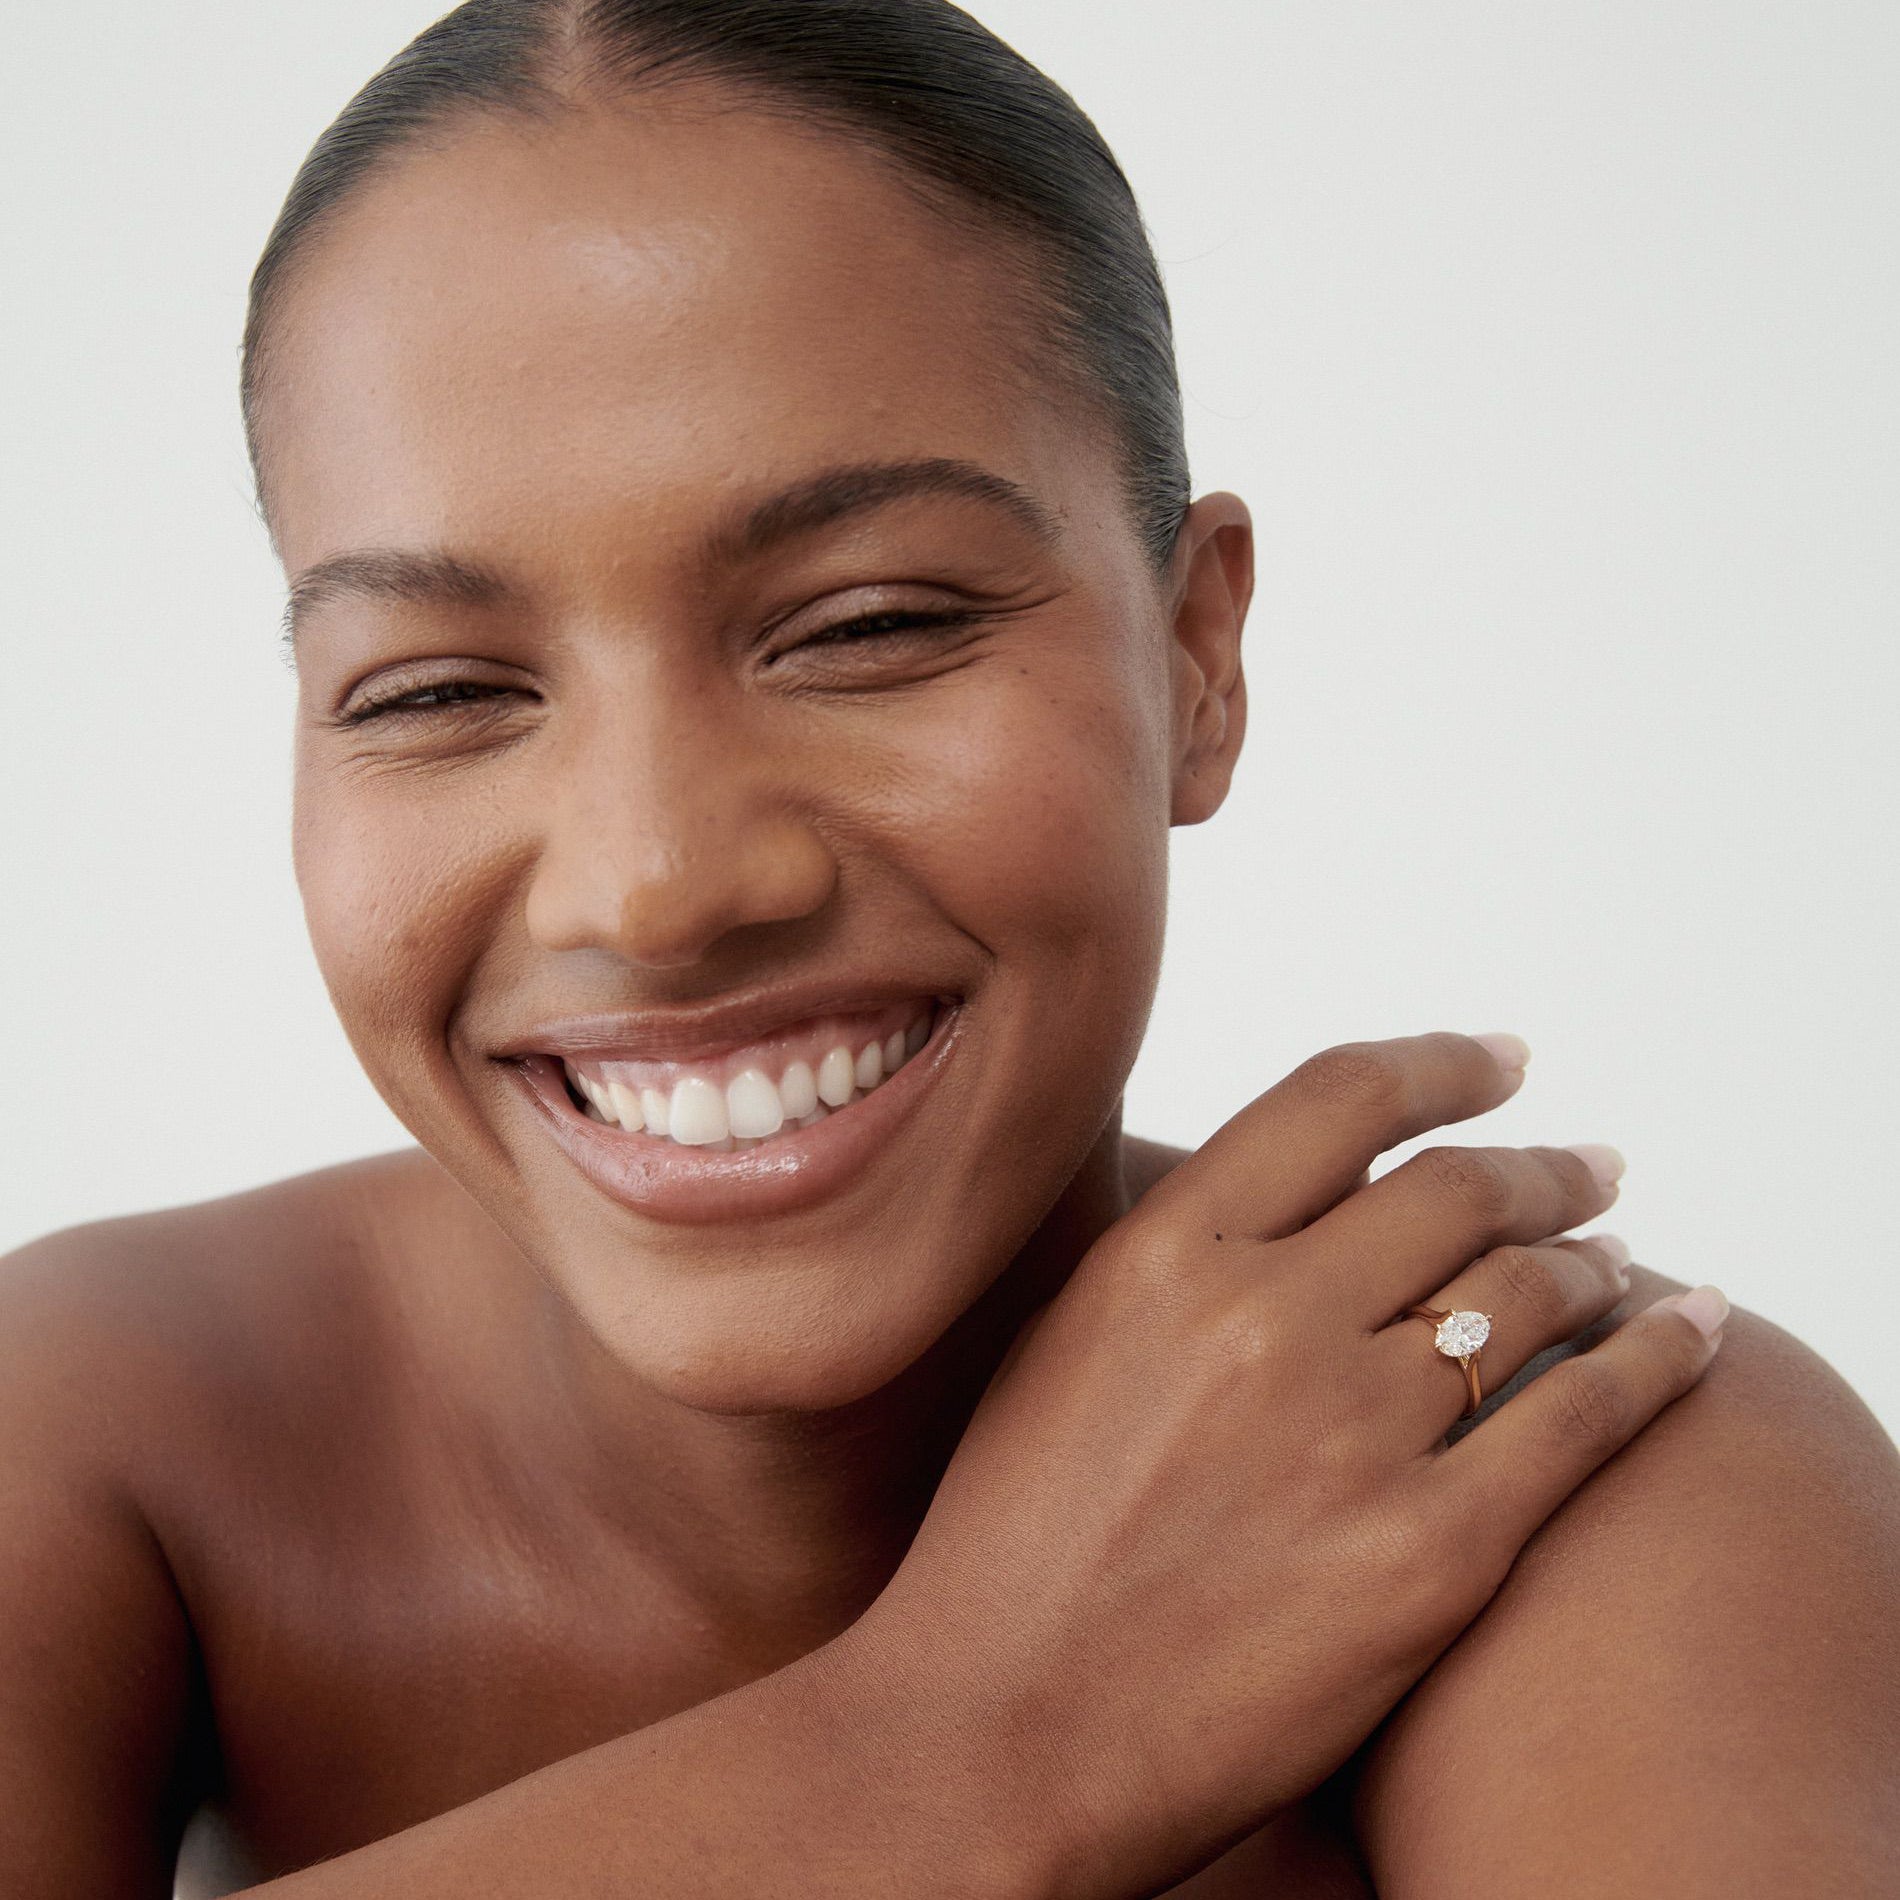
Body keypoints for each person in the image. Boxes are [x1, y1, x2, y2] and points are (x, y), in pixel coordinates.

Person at [5, 3, 1896, 1894]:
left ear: (1196, 660)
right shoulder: (101, 1425)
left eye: (868, 627)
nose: (654, 887)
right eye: (436, 689)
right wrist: (968, 1740)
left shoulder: (1562, 1477)